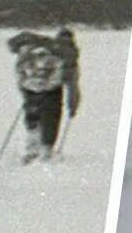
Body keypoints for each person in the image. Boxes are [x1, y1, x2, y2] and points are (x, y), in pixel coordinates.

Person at [7, 28, 78, 164]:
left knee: (32, 116)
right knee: (51, 117)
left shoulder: (37, 44)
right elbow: (72, 83)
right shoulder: (68, 55)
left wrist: (25, 91)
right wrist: (73, 104)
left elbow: (20, 69)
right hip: (52, 89)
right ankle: (46, 149)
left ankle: (31, 149)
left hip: (30, 86)